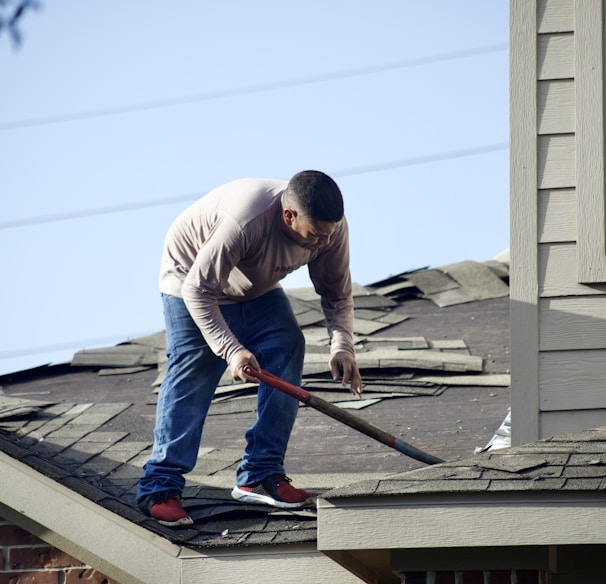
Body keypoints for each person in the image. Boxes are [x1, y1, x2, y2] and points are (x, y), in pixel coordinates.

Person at [136, 170, 362, 527]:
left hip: (253, 287)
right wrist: (231, 349)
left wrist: (343, 346)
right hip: (191, 281)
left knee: (287, 344)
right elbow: (198, 290)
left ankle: (260, 474)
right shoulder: (246, 220)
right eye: (316, 235)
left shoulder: (330, 229)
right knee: (194, 368)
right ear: (289, 216)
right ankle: (159, 487)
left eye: (328, 234)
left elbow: (337, 294)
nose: (322, 243)